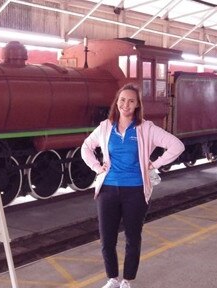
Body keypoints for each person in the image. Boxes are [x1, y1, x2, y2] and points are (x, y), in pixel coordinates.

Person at [81, 83, 184, 288]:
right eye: (122, 100)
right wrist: (96, 166)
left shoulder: (146, 128)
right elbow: (86, 147)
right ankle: (112, 278)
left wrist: (154, 164)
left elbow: (177, 145)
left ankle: (127, 280)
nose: (125, 105)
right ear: (116, 102)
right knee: (106, 239)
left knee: (132, 238)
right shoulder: (105, 127)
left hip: (135, 191)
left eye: (130, 101)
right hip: (108, 190)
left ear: (137, 105)